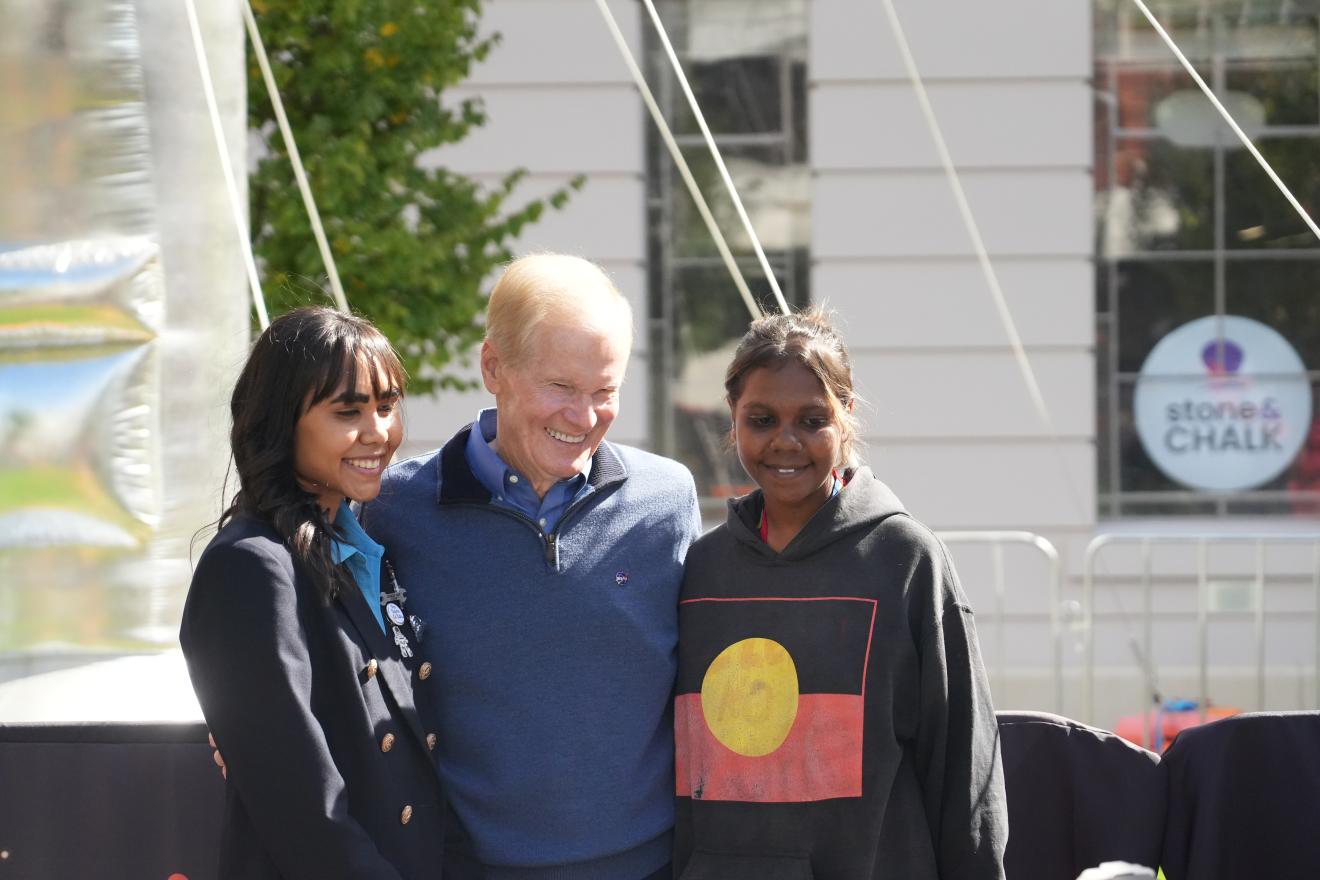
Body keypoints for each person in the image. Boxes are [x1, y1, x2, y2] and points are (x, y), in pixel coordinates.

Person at [361, 254, 703, 880]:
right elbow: (319, 639)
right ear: (493, 367)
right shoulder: (392, 511)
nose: (584, 417)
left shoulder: (668, 500)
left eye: (605, 391)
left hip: (650, 868)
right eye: (561, 388)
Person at [673, 309, 1008, 879]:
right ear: (733, 418)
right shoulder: (699, 571)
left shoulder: (905, 558)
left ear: (845, 417)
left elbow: (965, 767)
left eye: (811, 419)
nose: (786, 441)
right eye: (762, 419)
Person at [182, 307, 447, 880]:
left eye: (386, 405)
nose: (379, 432)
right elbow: (305, 816)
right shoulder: (249, 567)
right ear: (281, 422)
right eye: (347, 411)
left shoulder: (363, 549)